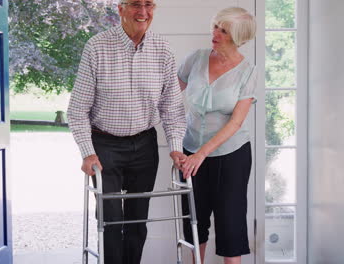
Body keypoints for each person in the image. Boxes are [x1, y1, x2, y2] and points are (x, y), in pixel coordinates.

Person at [67, 0, 186, 263]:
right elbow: (77, 110)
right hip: (105, 144)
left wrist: (176, 147)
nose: (142, 12)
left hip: (144, 145)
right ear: (120, 9)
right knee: (109, 220)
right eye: (135, 4)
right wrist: (88, 153)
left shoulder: (163, 49)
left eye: (148, 5)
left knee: (137, 220)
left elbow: (173, 108)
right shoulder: (97, 47)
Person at [177, 7, 257, 264]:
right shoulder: (195, 59)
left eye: (224, 30)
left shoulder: (248, 71)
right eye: (215, 27)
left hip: (231, 155)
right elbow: (168, 99)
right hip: (190, 151)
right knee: (194, 222)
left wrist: (202, 153)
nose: (215, 33)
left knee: (230, 225)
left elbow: (236, 122)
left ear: (238, 36)